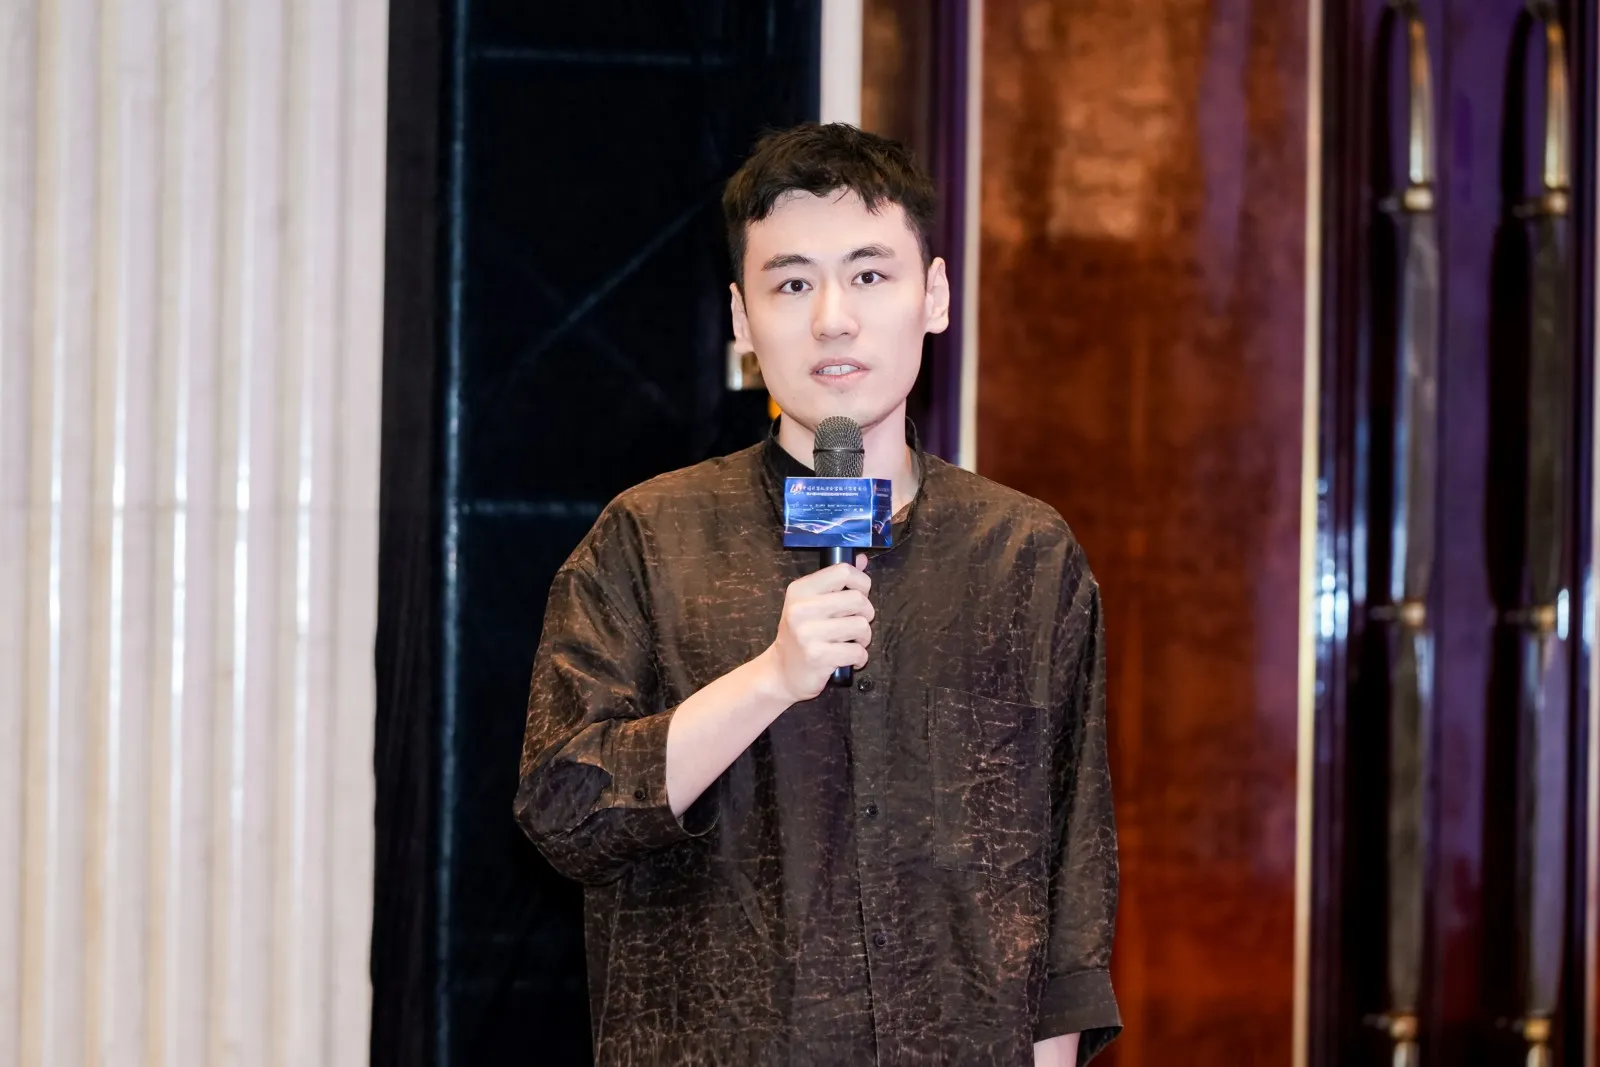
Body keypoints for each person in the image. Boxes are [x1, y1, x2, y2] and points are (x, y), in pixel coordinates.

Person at [515, 122, 1120, 1066]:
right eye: (792, 284)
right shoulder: (649, 537)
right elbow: (565, 811)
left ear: (934, 295)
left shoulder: (1024, 554)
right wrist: (768, 678)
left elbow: (1070, 874)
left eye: (869, 274)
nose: (833, 318)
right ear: (741, 318)